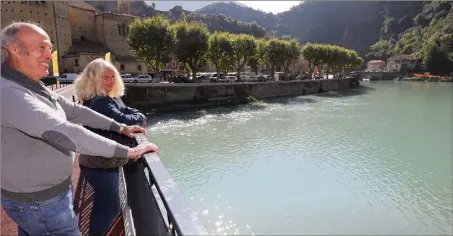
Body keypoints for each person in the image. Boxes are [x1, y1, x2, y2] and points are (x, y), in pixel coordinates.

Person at [0, 22, 158, 235]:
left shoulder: (30, 85)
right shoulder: (11, 93)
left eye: (50, 47)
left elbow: (75, 110)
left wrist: (121, 128)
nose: (49, 53)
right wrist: (130, 152)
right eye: (42, 47)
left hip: (45, 196)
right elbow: (64, 131)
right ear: (15, 49)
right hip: (40, 202)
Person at [73, 58, 146, 235]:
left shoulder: (104, 99)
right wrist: (139, 115)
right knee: (108, 209)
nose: (111, 80)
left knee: (105, 206)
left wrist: (133, 114)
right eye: (105, 77)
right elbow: (126, 119)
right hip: (101, 165)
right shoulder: (99, 103)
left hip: (99, 163)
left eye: (113, 76)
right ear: (94, 79)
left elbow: (124, 112)